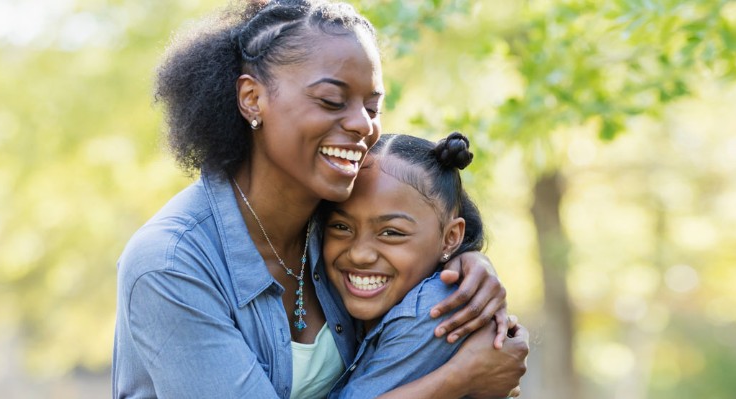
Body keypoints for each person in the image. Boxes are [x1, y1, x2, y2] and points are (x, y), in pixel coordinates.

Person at [112, 1, 528, 398]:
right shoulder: (169, 264)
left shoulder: (334, 225)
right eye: (332, 100)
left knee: (439, 300)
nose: (362, 125)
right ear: (252, 98)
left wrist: (465, 259)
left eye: (372, 106)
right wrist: (461, 378)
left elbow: (419, 209)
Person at [318, 133, 509, 398]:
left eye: (392, 232)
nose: (360, 254)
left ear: (451, 238)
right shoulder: (320, 284)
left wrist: (464, 376)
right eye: (341, 227)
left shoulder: (439, 305)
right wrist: (463, 376)